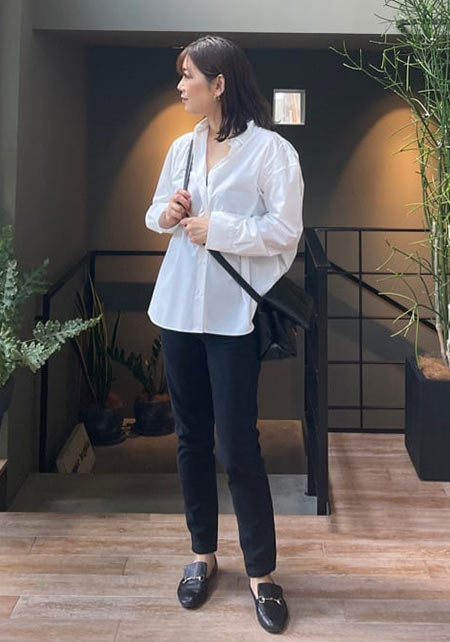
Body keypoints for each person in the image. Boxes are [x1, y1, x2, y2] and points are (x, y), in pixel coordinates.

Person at [145, 35, 304, 635]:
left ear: (219, 84)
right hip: (177, 313)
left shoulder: (272, 152)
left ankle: (261, 573)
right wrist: (167, 215)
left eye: (188, 75)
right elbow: (155, 213)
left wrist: (219, 228)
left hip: (233, 318)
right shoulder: (182, 147)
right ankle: (203, 554)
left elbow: (284, 232)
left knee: (238, 446)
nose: (179, 85)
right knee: (190, 439)